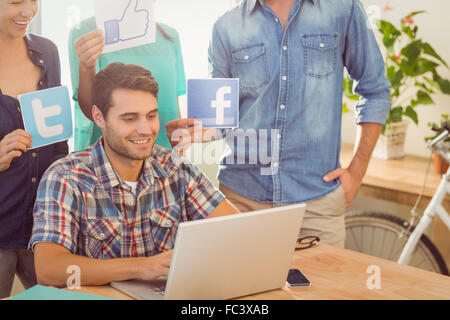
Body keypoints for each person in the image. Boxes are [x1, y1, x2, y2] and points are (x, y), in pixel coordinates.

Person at [166, 0, 391, 248]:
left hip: (316, 205)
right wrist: (194, 132)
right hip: (241, 201)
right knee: (240, 287)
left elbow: (375, 90)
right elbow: (221, 121)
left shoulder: (342, 8)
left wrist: (356, 173)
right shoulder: (226, 26)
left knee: (325, 288)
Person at [29, 63, 239, 287]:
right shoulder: (65, 177)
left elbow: (239, 232)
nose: (145, 129)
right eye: (129, 119)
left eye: (151, 115)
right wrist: (141, 266)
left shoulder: (177, 169)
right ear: (99, 117)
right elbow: (49, 271)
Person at [0, 0, 68, 298]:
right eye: (16, 1)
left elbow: (58, 146)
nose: (28, 11)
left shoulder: (47, 53)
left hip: (44, 229)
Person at [68, 15, 186, 151]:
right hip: (108, 157)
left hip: (163, 156)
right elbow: (91, 110)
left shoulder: (170, 36)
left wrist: (179, 154)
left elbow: (173, 105)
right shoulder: (86, 33)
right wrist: (86, 67)